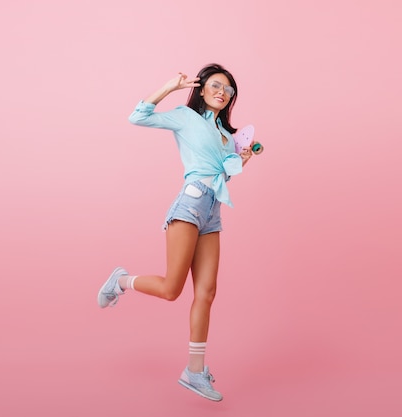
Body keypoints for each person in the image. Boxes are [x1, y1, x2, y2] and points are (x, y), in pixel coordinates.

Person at [97, 63, 255, 402]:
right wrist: (169, 87)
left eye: (228, 90)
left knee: (207, 292)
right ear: (201, 88)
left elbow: (225, 175)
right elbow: (138, 116)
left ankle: (194, 372)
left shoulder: (227, 135)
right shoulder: (185, 117)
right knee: (172, 289)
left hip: (212, 210)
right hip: (190, 203)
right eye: (216, 85)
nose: (222, 92)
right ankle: (121, 281)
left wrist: (244, 157)